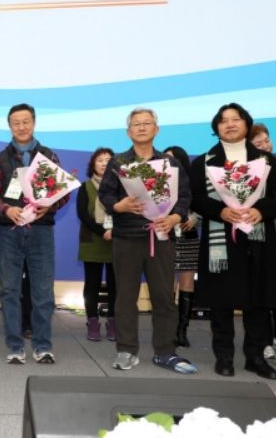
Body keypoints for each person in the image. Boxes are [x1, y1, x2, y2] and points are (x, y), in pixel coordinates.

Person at [98, 108, 196, 374]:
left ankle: (165, 351)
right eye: (136, 124)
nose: (141, 127)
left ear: (156, 129)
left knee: (164, 296)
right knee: (125, 296)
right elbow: (105, 194)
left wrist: (175, 217)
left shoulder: (170, 164)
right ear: (128, 131)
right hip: (127, 238)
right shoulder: (118, 162)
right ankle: (126, 350)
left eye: (147, 123)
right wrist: (119, 206)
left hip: (161, 237)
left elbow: (185, 196)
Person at [191, 104, 276, 379]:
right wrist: (219, 210)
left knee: (258, 301)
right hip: (220, 238)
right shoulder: (204, 162)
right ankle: (224, 356)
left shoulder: (266, 161)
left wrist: (261, 210)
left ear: (246, 124)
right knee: (221, 300)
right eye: (223, 120)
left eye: (236, 119)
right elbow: (196, 197)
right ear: (216, 127)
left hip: (258, 239)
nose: (230, 124)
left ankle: (255, 357)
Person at [0, 103, 70, 364]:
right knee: (9, 291)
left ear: (33, 123)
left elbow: (63, 193)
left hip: (41, 233)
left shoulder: (48, 156)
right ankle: (15, 346)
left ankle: (43, 346)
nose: (21, 127)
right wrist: (7, 209)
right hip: (10, 233)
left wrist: (49, 206)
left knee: (43, 292)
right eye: (16, 123)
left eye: (25, 121)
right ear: (9, 126)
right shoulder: (1, 158)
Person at [248, 123, 276, 356]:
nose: (266, 145)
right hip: (266, 232)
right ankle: (266, 339)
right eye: (258, 143)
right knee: (266, 286)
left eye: (267, 140)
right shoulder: (247, 172)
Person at [76, 147, 116, 342]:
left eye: (108, 160)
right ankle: (92, 322)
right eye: (100, 160)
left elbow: (124, 211)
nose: (104, 163)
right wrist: (103, 231)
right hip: (92, 239)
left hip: (116, 240)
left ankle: (113, 322)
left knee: (115, 284)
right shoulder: (85, 187)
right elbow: (83, 215)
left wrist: (114, 231)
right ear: (93, 164)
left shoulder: (121, 187)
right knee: (92, 284)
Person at [163, 146, 200, 348]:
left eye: (173, 159)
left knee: (187, 282)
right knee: (166, 283)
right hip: (166, 235)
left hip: (188, 235)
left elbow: (202, 205)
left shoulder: (192, 181)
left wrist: (195, 218)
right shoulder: (159, 182)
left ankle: (182, 331)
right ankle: (167, 329)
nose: (169, 162)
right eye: (166, 158)